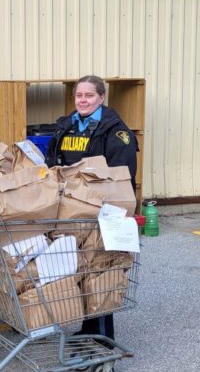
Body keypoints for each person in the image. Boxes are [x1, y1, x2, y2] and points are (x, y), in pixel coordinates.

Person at [45, 74, 138, 341]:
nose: (82, 100)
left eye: (89, 95)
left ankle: (102, 337)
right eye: (78, 95)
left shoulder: (115, 132)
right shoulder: (67, 126)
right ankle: (86, 329)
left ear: (101, 98)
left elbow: (123, 176)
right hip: (70, 211)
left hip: (102, 212)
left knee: (99, 271)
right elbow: (53, 162)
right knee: (77, 269)